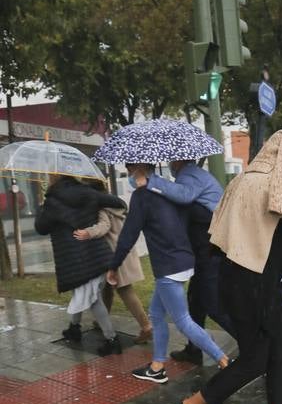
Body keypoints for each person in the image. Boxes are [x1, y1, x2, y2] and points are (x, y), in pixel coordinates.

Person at [170, 127, 282, 404]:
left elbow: (239, 228)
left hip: (234, 278)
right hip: (258, 285)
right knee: (258, 357)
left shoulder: (242, 180)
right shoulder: (278, 184)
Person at [106, 163, 228, 383]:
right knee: (156, 314)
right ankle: (157, 366)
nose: (129, 174)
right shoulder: (169, 192)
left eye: (129, 169)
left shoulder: (142, 196)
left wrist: (114, 266)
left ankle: (222, 359)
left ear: (138, 170)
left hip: (168, 266)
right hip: (184, 260)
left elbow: (128, 235)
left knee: (183, 321)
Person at [135, 158, 235, 365]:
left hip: (210, 252)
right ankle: (193, 350)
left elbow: (184, 195)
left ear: (182, 159)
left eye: (173, 159)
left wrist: (151, 179)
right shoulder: (188, 175)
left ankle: (254, 343)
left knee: (213, 304)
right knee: (195, 302)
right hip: (202, 253)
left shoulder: (191, 175)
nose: (171, 162)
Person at [34, 175, 124, 356]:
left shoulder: (52, 202)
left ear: (54, 182)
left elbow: (40, 227)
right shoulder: (88, 193)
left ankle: (111, 339)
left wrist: (40, 208)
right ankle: (74, 328)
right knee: (83, 293)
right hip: (98, 257)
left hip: (76, 261)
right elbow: (119, 202)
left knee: (93, 299)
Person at [73, 180, 152, 344]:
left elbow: (104, 226)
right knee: (108, 288)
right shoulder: (114, 203)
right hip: (122, 251)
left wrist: (88, 233)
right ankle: (103, 319)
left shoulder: (103, 207)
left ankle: (146, 326)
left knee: (124, 290)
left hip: (116, 254)